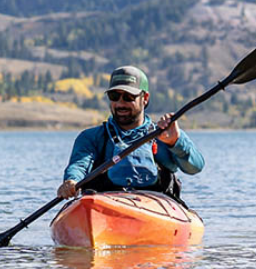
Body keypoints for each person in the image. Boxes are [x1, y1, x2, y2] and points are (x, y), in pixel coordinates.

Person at [57, 66, 204, 202]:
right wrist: (71, 181)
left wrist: (175, 143)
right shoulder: (91, 138)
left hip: (156, 209)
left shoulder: (166, 134)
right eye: (114, 96)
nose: (120, 103)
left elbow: (195, 167)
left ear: (145, 98)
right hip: (103, 208)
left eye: (128, 97)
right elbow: (79, 165)